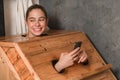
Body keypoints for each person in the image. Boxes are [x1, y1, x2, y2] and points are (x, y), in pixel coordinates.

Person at [25, 4, 88, 73]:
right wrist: (60, 66)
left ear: (46, 22)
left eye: (41, 19)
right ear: (26, 22)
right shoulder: (20, 47)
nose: (37, 24)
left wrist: (83, 60)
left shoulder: (52, 42)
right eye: (32, 20)